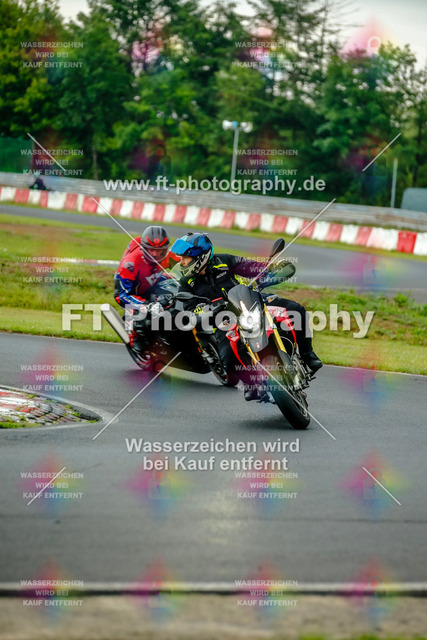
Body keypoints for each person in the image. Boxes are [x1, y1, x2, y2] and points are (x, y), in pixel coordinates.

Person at [170, 232, 322, 400]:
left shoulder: (224, 261)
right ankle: (251, 384)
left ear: (200, 256)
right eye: (181, 258)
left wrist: (268, 271)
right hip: (223, 320)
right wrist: (204, 311)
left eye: (185, 258)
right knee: (227, 359)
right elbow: (190, 309)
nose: (181, 262)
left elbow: (251, 267)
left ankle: (308, 355)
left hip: (249, 301)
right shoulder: (186, 282)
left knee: (296, 310)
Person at [114, 225, 178, 349]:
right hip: (131, 293)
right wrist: (146, 305)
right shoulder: (130, 263)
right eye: (151, 250)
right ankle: (132, 332)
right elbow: (121, 295)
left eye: (161, 250)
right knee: (146, 312)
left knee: (174, 291)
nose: (156, 254)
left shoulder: (170, 255)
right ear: (144, 248)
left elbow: (187, 266)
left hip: (152, 282)